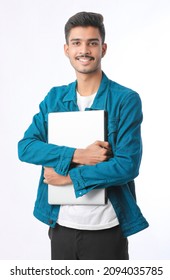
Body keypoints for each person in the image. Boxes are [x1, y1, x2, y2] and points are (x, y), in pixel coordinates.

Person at [18, 11, 149, 260]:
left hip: (107, 229)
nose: (84, 50)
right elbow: (26, 147)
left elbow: (127, 166)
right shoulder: (54, 98)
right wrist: (79, 155)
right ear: (66, 49)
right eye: (77, 43)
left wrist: (70, 177)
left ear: (104, 48)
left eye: (92, 42)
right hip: (61, 227)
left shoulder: (125, 100)